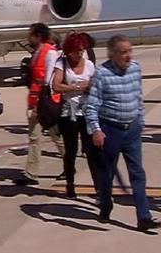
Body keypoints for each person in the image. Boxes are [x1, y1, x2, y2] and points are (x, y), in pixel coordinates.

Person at [85, 34, 160, 231]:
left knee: (137, 172)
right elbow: (91, 106)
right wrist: (96, 131)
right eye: (123, 52)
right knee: (107, 172)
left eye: (130, 51)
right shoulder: (102, 73)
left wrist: (141, 121)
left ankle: (144, 217)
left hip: (132, 129)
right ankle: (106, 204)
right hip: (110, 130)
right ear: (112, 54)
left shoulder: (135, 69)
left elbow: (138, 97)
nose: (128, 56)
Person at [14, 23, 65, 186]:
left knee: (56, 137)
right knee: (34, 138)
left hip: (46, 103)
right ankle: (31, 173)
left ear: (37, 35)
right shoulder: (37, 52)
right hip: (35, 101)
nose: (29, 37)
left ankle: (69, 164)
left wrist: (39, 105)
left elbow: (47, 81)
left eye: (31, 34)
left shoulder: (49, 53)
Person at [51, 33, 97, 198]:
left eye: (82, 50)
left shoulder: (90, 65)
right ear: (69, 51)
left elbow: (96, 83)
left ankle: (98, 186)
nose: (80, 54)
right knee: (71, 151)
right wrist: (76, 87)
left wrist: (88, 86)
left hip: (87, 111)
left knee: (92, 151)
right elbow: (56, 85)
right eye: (77, 51)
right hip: (68, 113)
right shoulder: (61, 63)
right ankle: (70, 183)